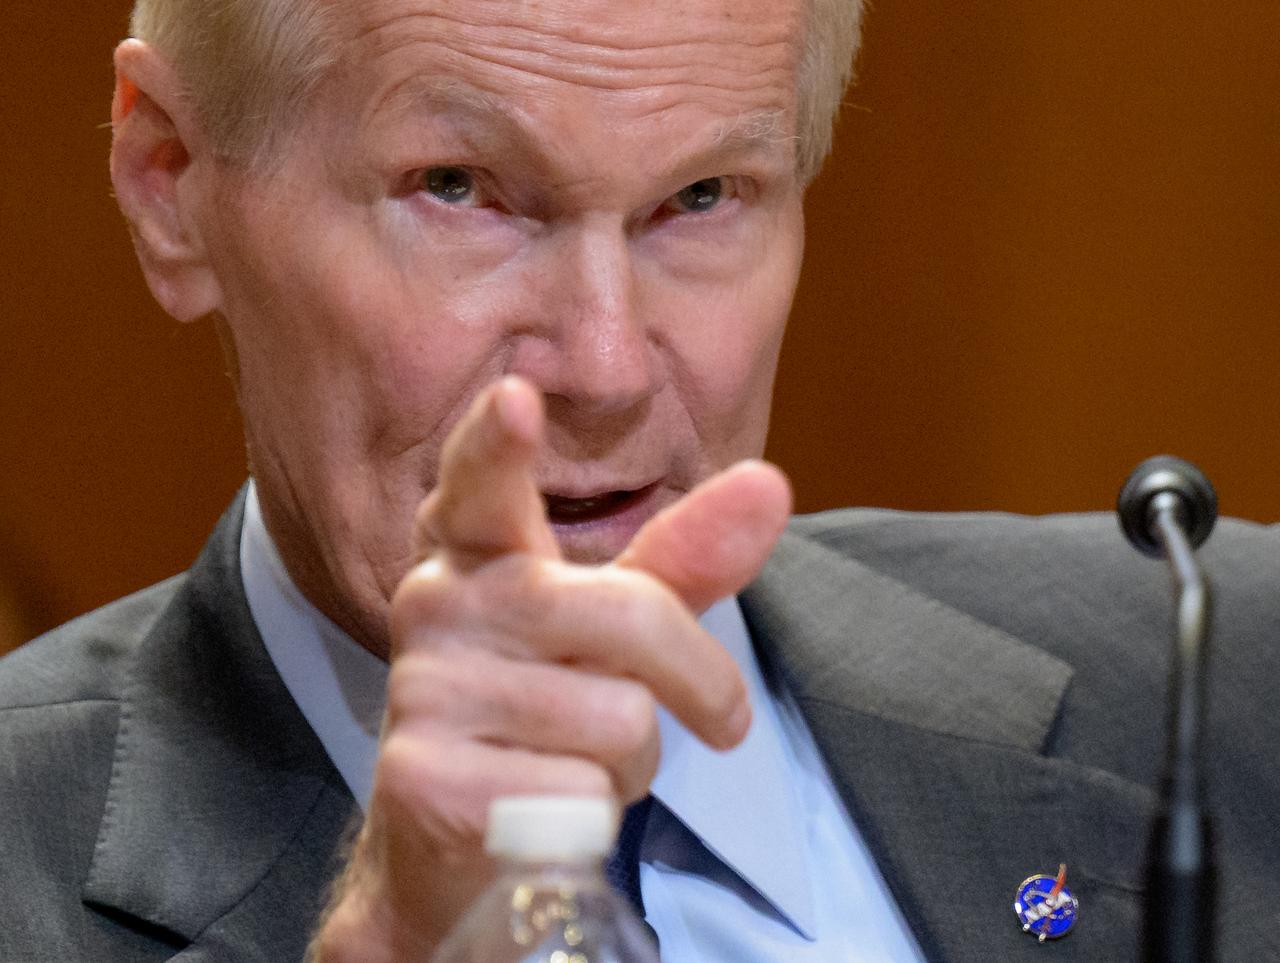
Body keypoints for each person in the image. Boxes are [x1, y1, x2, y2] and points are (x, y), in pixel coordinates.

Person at [1, 1, 1277, 961]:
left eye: (702, 197)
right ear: (169, 183)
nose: (604, 368)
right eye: (460, 192)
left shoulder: (1212, 679)